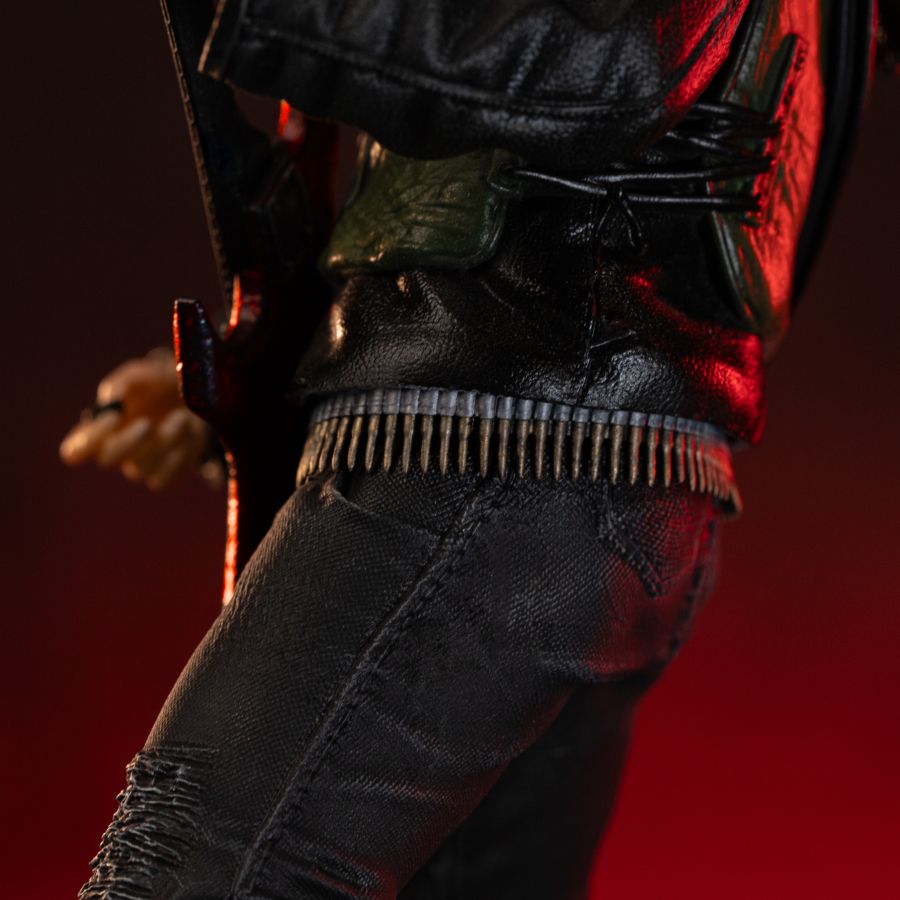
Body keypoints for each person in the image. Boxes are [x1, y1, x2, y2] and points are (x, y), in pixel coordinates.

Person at [63, 1, 877, 897]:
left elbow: (618, 65)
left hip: (497, 453)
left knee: (184, 872)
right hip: (578, 464)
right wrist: (301, 363)